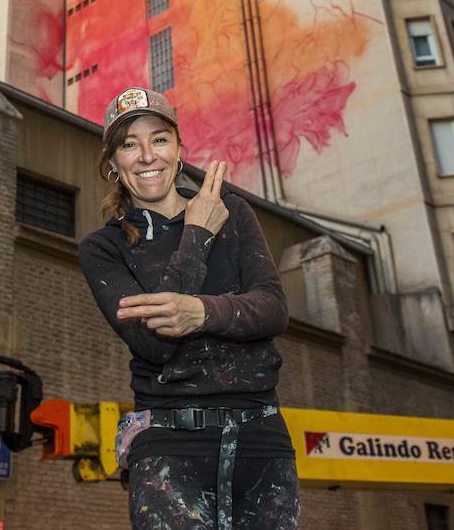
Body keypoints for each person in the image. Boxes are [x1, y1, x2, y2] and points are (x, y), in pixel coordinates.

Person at [78, 86, 300, 530]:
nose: (147, 156)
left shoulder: (232, 212)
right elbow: (153, 343)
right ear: (113, 163)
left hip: (260, 437)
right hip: (169, 444)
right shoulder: (104, 248)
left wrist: (201, 312)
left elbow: (273, 309)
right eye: (129, 144)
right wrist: (196, 235)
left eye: (159, 139)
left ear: (179, 149)